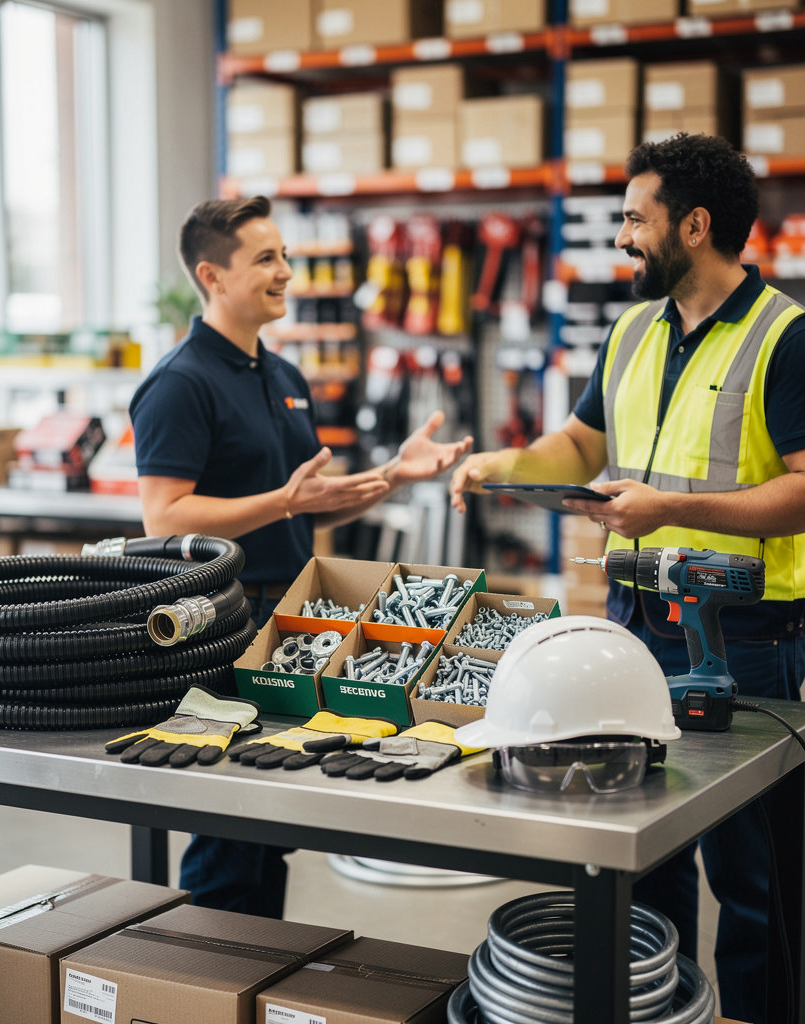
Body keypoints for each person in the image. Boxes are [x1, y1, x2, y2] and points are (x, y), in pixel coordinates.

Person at [449, 132, 805, 1024]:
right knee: (646, 857)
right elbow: (580, 446)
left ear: (696, 225)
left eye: (637, 219)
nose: (623, 237)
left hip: (742, 640)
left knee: (752, 880)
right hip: (633, 627)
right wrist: (500, 464)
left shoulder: (796, 344)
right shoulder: (633, 330)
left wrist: (670, 508)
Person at [129, 194, 472, 919]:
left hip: (290, 617)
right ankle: (215, 971)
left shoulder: (283, 377)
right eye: (266, 259)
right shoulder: (180, 383)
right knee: (228, 817)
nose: (287, 270)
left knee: (271, 813)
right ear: (212, 276)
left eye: (285, 255)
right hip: (221, 623)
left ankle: (262, 964)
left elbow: (310, 504)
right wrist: (283, 503)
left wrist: (393, 476)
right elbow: (165, 516)